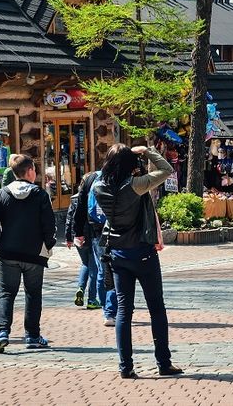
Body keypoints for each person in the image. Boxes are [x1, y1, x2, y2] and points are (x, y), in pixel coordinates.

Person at [91, 144, 182, 379]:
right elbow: (166, 169)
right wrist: (147, 151)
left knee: (123, 311)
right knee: (156, 308)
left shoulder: (98, 186)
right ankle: (163, 362)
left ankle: (125, 366)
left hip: (118, 253)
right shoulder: (135, 186)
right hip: (142, 252)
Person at [0, 154, 57, 354]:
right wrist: (47, 245)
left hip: (8, 253)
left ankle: (2, 332)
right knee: (33, 294)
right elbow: (49, 225)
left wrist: (0, 244)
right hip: (34, 254)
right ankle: (32, 335)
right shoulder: (40, 195)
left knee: (6, 293)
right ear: (30, 171)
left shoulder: (1, 194)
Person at [73, 170, 117, 326]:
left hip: (97, 230)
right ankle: (115, 309)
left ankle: (107, 311)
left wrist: (78, 232)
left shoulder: (91, 178)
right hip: (119, 230)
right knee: (117, 270)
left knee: (102, 270)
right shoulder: (122, 175)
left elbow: (80, 207)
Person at [65, 178, 99, 310]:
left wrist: (68, 237)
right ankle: (91, 299)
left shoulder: (74, 198)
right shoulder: (92, 196)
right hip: (90, 236)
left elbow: (69, 218)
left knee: (85, 263)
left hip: (78, 236)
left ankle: (80, 287)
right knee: (94, 268)